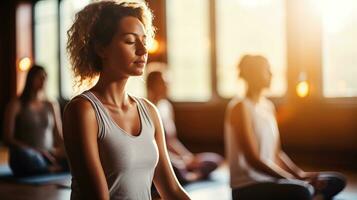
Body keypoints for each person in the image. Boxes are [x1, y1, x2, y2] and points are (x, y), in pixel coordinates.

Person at [64, 1, 190, 199]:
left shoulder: (149, 111)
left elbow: (172, 190)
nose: (142, 50)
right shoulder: (83, 110)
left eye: (144, 40)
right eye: (131, 41)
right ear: (101, 49)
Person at [224, 55, 346, 200]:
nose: (271, 74)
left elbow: (277, 153)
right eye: (266, 70)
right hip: (247, 187)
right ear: (252, 74)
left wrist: (300, 174)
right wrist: (291, 180)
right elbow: (253, 159)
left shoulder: (267, 106)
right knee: (302, 191)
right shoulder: (239, 107)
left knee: (336, 181)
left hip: (271, 181)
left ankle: (311, 195)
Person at [146, 70, 223, 184]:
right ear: (152, 85)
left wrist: (187, 157)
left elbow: (172, 140)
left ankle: (187, 175)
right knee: (176, 168)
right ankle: (189, 176)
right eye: (163, 82)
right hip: (161, 159)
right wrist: (178, 161)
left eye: (168, 82)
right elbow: (152, 147)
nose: (167, 86)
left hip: (176, 158)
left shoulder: (166, 107)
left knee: (214, 160)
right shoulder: (146, 109)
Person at [3, 65, 66, 177]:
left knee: (76, 154)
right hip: (29, 154)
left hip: (49, 154)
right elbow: (7, 138)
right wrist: (37, 151)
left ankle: (50, 167)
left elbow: (58, 135)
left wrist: (63, 150)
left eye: (45, 78)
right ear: (30, 79)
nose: (43, 81)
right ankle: (50, 169)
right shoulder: (16, 104)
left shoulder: (51, 105)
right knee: (23, 156)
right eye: (39, 77)